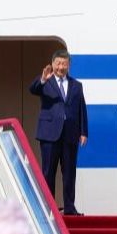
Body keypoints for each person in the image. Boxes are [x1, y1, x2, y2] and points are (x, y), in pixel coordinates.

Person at [29, 49, 88, 216]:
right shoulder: (45, 82)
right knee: (48, 172)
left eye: (64, 64)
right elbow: (32, 89)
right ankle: (49, 208)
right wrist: (42, 79)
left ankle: (69, 208)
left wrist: (83, 131)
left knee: (69, 173)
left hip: (70, 134)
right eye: (58, 63)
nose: (61, 67)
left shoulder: (77, 85)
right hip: (49, 134)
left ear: (69, 65)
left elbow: (81, 108)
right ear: (52, 63)